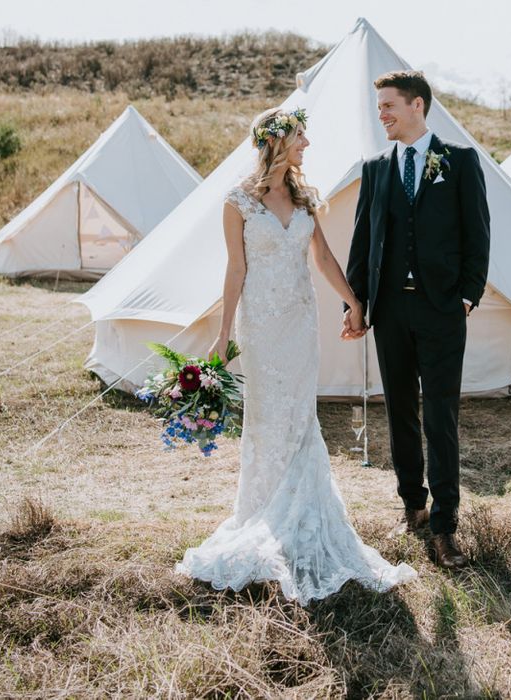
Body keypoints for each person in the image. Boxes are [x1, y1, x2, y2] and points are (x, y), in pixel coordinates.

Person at [175, 107, 417, 605]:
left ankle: (305, 514)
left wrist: (354, 302)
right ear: (277, 142)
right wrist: (223, 337)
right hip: (261, 328)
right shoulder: (238, 201)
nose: (307, 144)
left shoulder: (305, 198)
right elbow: (235, 270)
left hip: (300, 324)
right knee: (267, 419)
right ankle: (263, 512)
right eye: (301, 136)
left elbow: (323, 258)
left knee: (301, 418)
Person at [343, 71, 491, 568]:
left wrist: (467, 297)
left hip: (442, 309)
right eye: (378, 105)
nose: (380, 113)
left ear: (417, 106)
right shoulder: (375, 168)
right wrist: (356, 302)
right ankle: (413, 505)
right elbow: (363, 241)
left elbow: (478, 234)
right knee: (400, 411)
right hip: (391, 311)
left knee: (440, 416)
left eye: (388, 105)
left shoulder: (461, 161)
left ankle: (447, 525)